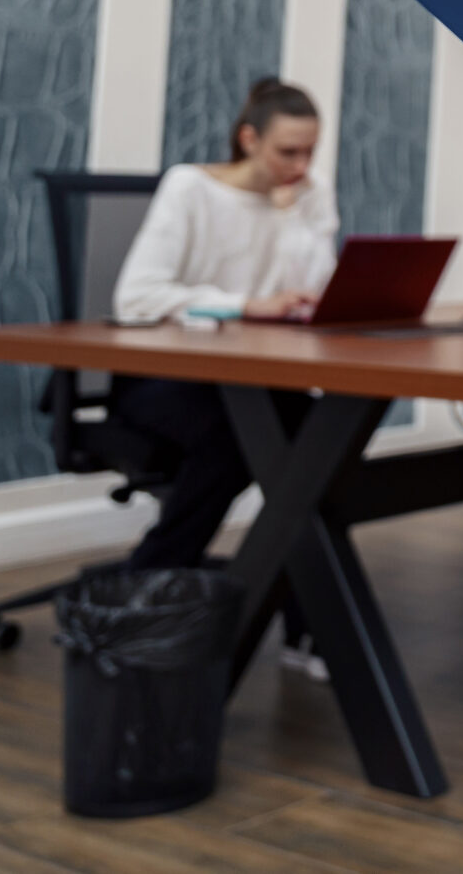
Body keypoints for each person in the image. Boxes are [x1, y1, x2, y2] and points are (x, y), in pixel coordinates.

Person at [110, 76, 337, 678]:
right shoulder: (191, 188)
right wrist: (242, 305)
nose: (301, 165)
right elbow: (137, 297)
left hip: (251, 379)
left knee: (321, 443)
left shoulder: (302, 198)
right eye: (288, 151)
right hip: (162, 378)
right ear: (248, 139)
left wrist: (300, 217)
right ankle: (142, 595)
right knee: (237, 440)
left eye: (310, 152)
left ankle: (305, 630)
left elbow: (315, 291)